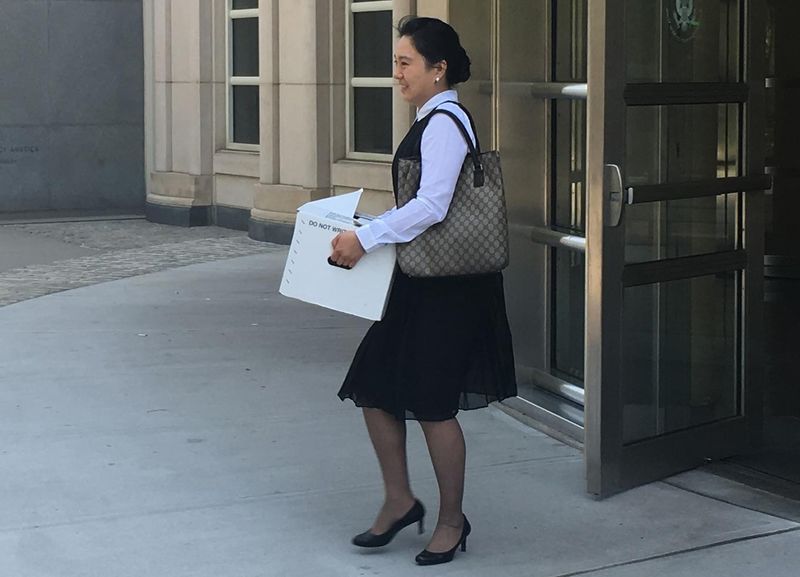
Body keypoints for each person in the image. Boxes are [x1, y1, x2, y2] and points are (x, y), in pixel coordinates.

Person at [330, 15, 517, 566]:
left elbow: (433, 206)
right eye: (395, 62)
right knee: (375, 383)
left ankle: (452, 520)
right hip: (423, 281)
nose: (397, 74)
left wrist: (364, 238)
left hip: (451, 288)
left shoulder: (443, 122)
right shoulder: (430, 118)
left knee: (434, 404)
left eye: (405, 62)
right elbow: (423, 203)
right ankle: (400, 500)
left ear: (438, 70)